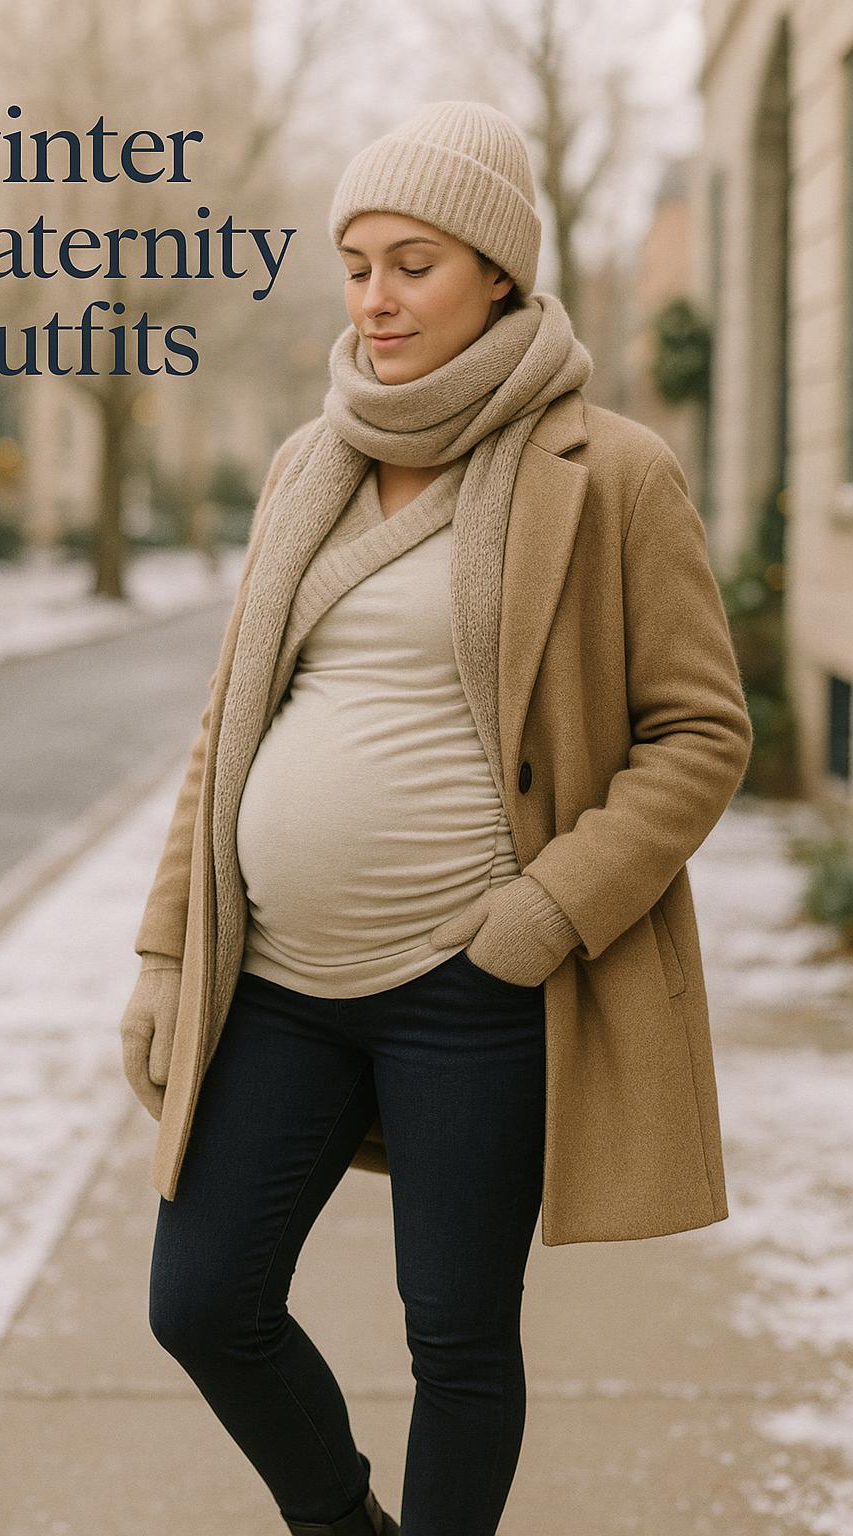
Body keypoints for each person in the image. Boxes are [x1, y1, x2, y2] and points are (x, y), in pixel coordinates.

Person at [119, 100, 753, 1536]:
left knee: (457, 1343)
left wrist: (543, 917)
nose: (377, 298)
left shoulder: (612, 473)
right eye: (356, 264)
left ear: (501, 277)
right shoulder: (309, 464)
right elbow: (230, 727)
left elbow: (701, 732)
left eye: (415, 261)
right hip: (275, 981)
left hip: (469, 990)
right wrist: (168, 955)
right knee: (203, 1301)